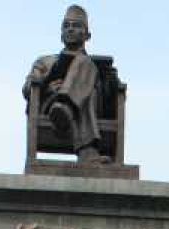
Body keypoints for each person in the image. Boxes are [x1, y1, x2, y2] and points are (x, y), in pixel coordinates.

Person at [23, 5, 107, 164]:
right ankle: (88, 151)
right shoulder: (45, 62)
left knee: (85, 62)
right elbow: (27, 88)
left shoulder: (92, 65)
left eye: (76, 26)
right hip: (52, 108)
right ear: (61, 34)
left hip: (88, 106)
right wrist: (47, 86)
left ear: (87, 35)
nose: (70, 29)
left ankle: (66, 107)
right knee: (86, 67)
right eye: (66, 26)